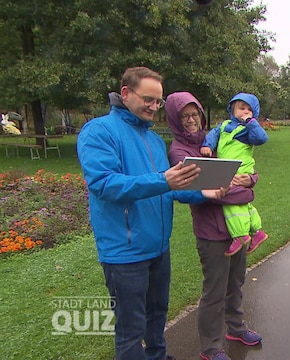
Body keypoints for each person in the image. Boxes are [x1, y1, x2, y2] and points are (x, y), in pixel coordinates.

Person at [77, 67, 226, 360]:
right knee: (130, 329)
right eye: (148, 99)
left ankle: (158, 356)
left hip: (158, 246)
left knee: (157, 315)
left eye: (158, 102)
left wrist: (203, 192)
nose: (153, 107)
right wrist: (163, 180)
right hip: (125, 251)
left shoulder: (155, 141)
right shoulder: (99, 131)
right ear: (125, 93)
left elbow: (169, 187)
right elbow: (104, 184)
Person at [166, 91, 263, 360]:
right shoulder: (180, 151)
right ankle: (210, 347)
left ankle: (236, 327)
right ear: (175, 119)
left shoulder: (217, 137)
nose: (190, 120)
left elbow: (240, 163)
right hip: (212, 231)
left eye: (194, 114)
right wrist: (236, 192)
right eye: (184, 116)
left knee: (236, 281)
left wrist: (250, 180)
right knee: (214, 290)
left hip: (237, 226)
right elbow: (185, 191)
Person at [200, 93, 269, 256]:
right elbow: (213, 135)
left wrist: (251, 122)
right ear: (232, 109)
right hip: (227, 169)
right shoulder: (224, 126)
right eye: (241, 108)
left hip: (241, 169)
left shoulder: (248, 130)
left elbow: (261, 138)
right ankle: (257, 231)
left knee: (229, 201)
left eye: (249, 109)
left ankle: (240, 235)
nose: (245, 112)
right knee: (243, 203)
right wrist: (208, 146)